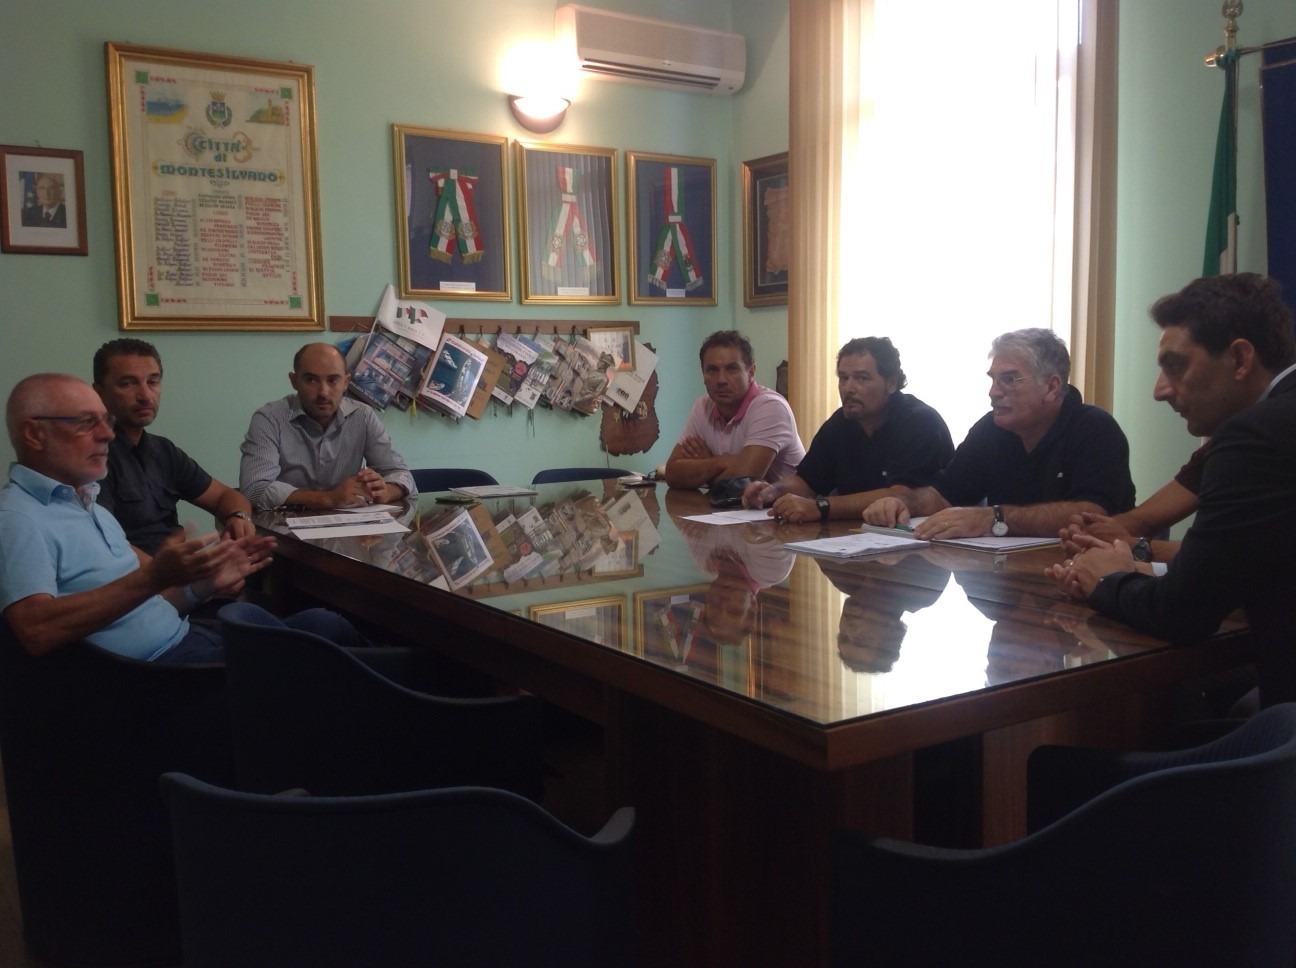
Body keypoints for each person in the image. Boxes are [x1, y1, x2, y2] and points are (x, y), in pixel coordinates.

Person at [1047, 272, 1296, 706]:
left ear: (1240, 359)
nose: (1159, 391)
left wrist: (1108, 577)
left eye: (1176, 365)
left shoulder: (1255, 437)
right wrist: (1142, 560)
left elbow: (1181, 614)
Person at [0, 374, 368, 663]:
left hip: (185, 635)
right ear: (34, 434)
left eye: (104, 421)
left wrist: (204, 585)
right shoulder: (18, 518)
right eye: (86, 423)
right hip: (158, 674)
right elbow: (35, 630)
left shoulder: (87, 503)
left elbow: (147, 606)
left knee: (325, 623)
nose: (106, 434)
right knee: (329, 662)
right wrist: (154, 576)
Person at [863, 328, 1135, 538]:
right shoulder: (991, 429)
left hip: (1087, 572)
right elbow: (943, 495)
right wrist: (902, 502)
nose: (993, 392)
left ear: (1052, 387)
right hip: (1008, 575)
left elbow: (1091, 514)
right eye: (993, 379)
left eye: (1009, 379)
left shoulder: (1095, 429)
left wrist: (995, 518)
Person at [742, 337, 953, 523]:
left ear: (891, 383)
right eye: (843, 378)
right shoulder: (841, 422)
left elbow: (902, 496)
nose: (848, 388)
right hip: (855, 535)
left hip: (920, 543)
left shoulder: (920, 423)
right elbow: (807, 482)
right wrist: (772, 491)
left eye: (861, 378)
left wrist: (821, 507)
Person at [92, 338, 254, 554]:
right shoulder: (92, 455)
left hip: (177, 567)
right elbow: (105, 542)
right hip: (137, 572)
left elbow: (226, 496)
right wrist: (169, 570)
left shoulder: (163, 450)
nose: (145, 396)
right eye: (127, 384)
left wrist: (238, 517)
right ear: (98, 392)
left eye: (153, 382)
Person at [240, 342, 416, 510]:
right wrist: (328, 498)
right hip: (282, 525)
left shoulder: (362, 416)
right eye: (311, 380)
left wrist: (385, 491)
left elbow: (403, 475)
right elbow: (254, 489)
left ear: (346, 382)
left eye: (332, 380)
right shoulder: (270, 419)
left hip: (348, 526)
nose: (323, 392)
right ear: (294, 381)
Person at [664, 330, 805, 489]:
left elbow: (741, 484)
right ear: (703, 374)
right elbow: (672, 473)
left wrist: (705, 464)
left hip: (783, 504)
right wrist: (720, 462)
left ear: (751, 372)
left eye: (731, 369)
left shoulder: (771, 407)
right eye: (712, 370)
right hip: (733, 505)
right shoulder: (702, 407)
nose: (721, 380)